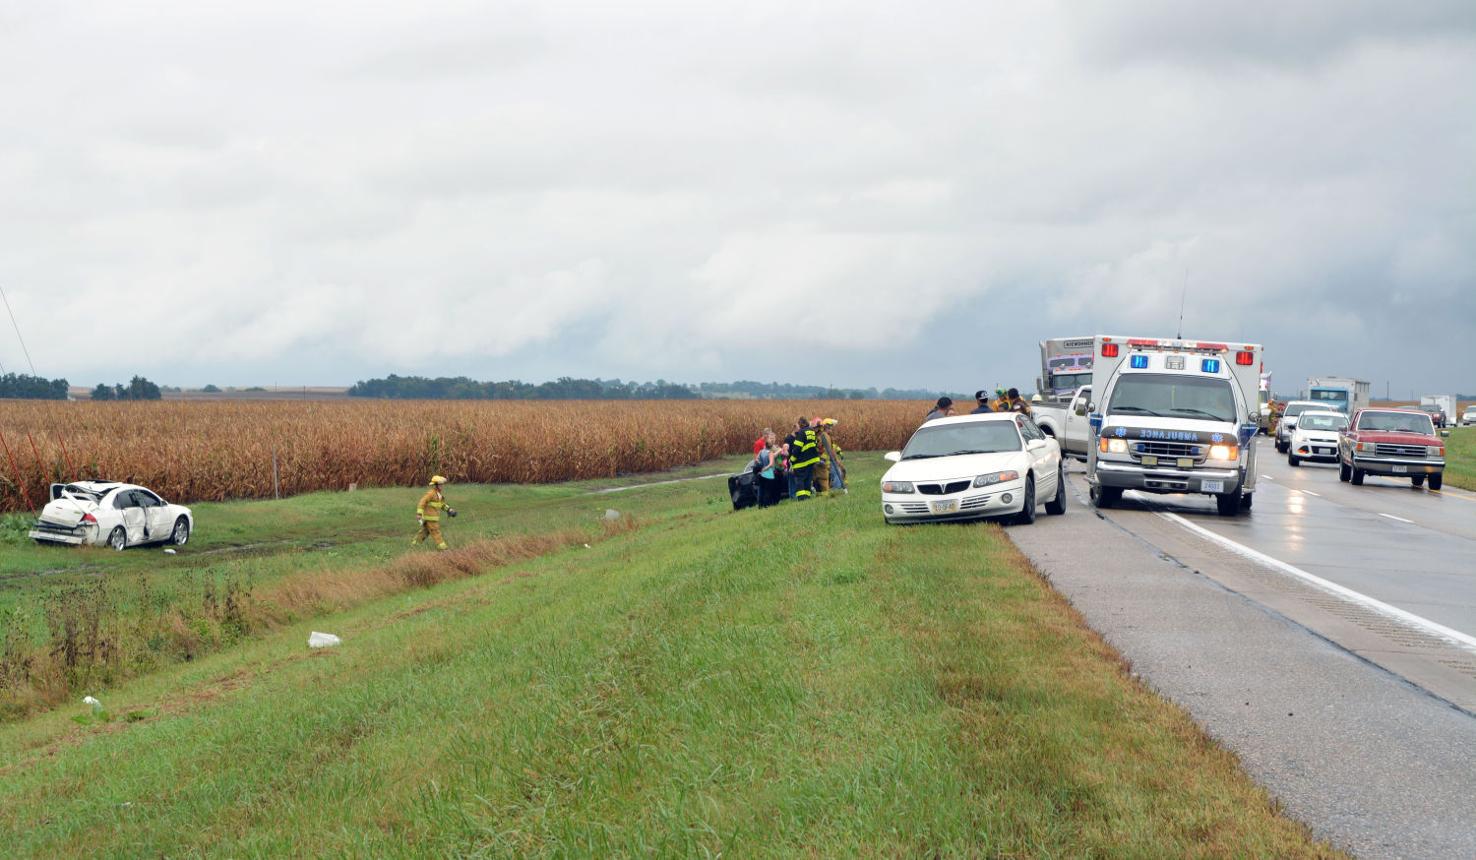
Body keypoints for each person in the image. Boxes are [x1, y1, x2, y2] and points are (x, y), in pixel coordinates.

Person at [413, 475, 457, 551]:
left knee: (424, 532)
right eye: (440, 484)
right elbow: (422, 502)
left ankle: (414, 545)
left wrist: (449, 510)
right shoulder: (431, 494)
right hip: (431, 519)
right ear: (435, 485)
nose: (442, 486)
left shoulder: (438, 494)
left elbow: (442, 505)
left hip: (432, 518)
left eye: (442, 484)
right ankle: (444, 549)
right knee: (436, 533)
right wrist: (419, 514)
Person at [784, 417, 821, 500]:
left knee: (800, 479)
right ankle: (807, 496)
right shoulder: (811, 431)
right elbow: (815, 444)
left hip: (802, 461)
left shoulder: (801, 432)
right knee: (808, 479)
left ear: (801, 424)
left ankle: (801, 498)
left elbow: (797, 448)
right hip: (812, 460)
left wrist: (792, 460)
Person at [818, 418, 846, 493]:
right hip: (825, 460)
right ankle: (836, 488)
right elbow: (824, 448)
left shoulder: (827, 436)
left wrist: (839, 452)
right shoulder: (824, 436)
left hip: (829, 458)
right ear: (826, 427)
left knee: (838, 471)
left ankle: (837, 487)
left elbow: (832, 446)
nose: (831, 428)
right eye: (830, 426)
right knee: (835, 472)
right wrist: (824, 459)